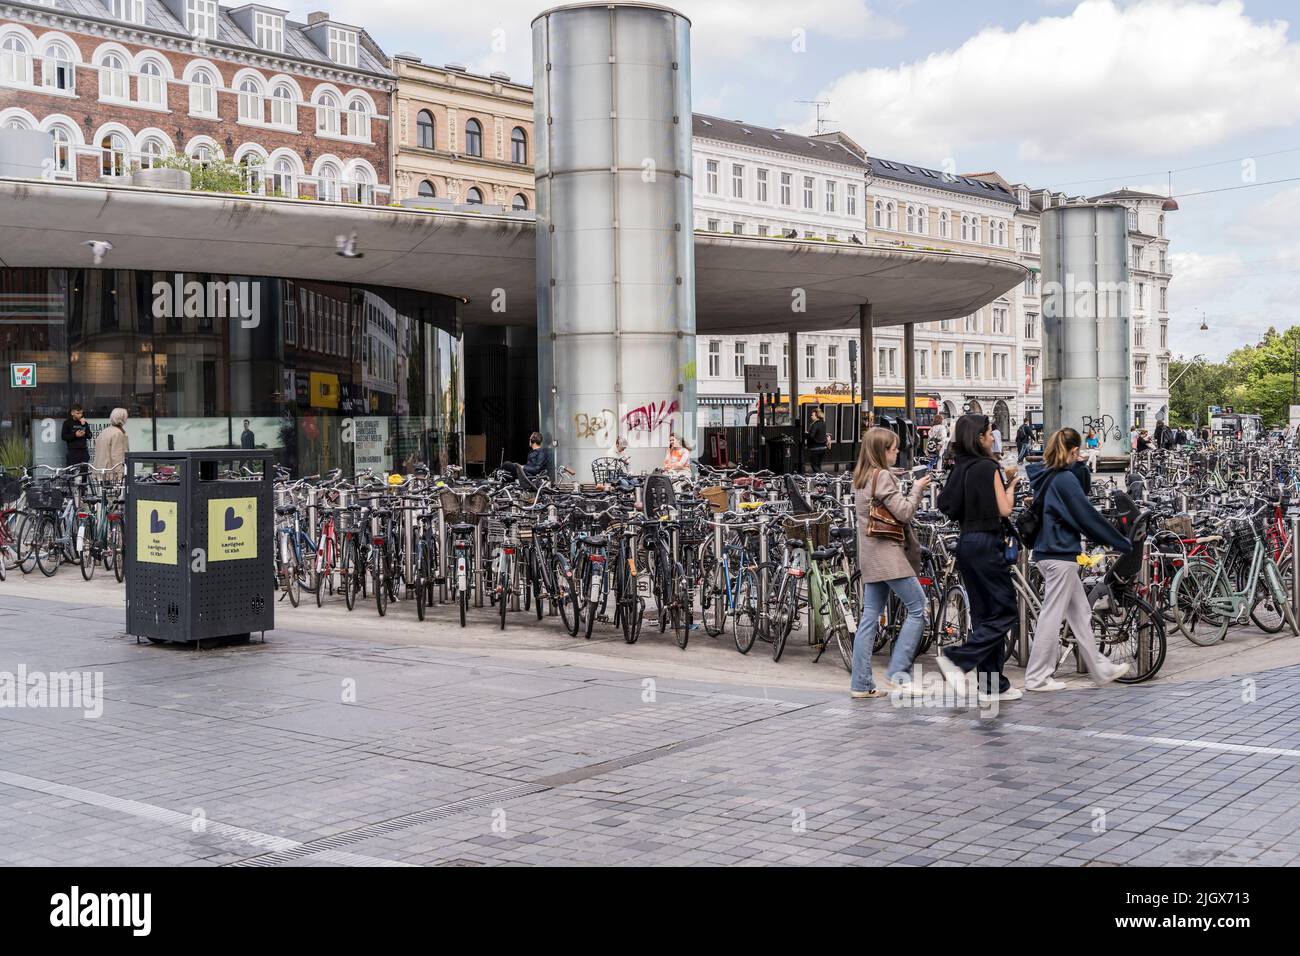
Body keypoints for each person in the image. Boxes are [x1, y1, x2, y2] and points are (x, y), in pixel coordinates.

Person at [1023, 428, 1134, 690]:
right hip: (1059, 553)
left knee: (1081, 612)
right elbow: (1087, 516)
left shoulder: (1048, 476)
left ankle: (1100, 667)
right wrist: (1120, 541)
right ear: (1074, 451)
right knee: (1052, 615)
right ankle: (1037, 676)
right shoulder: (1063, 480)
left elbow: (1078, 503)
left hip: (1049, 552)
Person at [936, 414, 1023, 702]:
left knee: (985, 614)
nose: (991, 437)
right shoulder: (988, 467)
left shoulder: (960, 467)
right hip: (987, 542)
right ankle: (958, 659)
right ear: (978, 438)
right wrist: (1010, 485)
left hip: (966, 543)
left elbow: (946, 505)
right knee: (1005, 610)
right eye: (988, 433)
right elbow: (1005, 509)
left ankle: (992, 684)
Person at [849, 427, 932, 699]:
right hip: (889, 555)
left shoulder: (860, 477)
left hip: (870, 556)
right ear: (881, 451)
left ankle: (861, 683)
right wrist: (918, 489)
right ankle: (899, 674)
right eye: (893, 448)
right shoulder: (882, 476)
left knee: (869, 617)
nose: (897, 451)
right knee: (918, 607)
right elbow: (905, 513)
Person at [91, 407, 130, 481]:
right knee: (118, 492)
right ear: (122, 418)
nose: (127, 419)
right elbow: (117, 456)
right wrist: (120, 475)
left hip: (100, 471)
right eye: (126, 416)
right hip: (110, 473)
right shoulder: (118, 433)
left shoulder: (105, 431)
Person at [62, 402, 90, 471]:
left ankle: (84, 481)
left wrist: (84, 427)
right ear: (72, 413)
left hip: (83, 451)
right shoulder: (67, 423)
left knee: (84, 473)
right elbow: (64, 436)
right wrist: (75, 435)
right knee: (71, 473)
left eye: (81, 413)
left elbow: (89, 435)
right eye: (78, 413)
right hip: (72, 451)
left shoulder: (84, 422)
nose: (80, 415)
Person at [806, 408, 829, 473]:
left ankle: (823, 477)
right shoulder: (823, 423)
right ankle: (820, 481)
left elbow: (811, 436)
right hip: (823, 448)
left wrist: (806, 434)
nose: (811, 416)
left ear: (817, 416)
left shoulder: (815, 424)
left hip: (815, 448)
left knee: (814, 465)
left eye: (812, 415)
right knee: (818, 465)